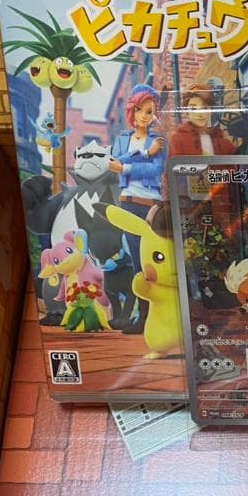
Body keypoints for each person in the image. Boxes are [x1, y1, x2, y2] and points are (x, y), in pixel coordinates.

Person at [110, 83, 166, 333]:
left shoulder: (159, 141)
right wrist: (144, 154)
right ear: (132, 110)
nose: (144, 116)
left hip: (151, 205)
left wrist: (127, 167)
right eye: (140, 110)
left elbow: (156, 170)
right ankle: (142, 317)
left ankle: (157, 316)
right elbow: (113, 162)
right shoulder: (123, 139)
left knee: (153, 261)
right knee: (137, 262)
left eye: (150, 111)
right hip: (129, 204)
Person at [169, 83, 237, 157]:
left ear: (211, 110)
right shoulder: (178, 140)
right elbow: (173, 163)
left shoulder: (222, 141)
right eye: (193, 108)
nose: (200, 113)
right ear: (187, 111)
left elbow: (235, 162)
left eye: (205, 108)